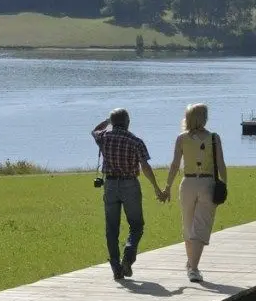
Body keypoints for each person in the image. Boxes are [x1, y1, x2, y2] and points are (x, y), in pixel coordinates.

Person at [92, 108, 166, 281]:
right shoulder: (135, 141)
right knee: (137, 225)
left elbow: (94, 130)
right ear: (128, 122)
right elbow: (145, 167)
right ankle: (129, 253)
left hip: (110, 184)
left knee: (111, 228)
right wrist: (156, 187)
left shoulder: (104, 138)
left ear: (113, 122)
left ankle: (116, 267)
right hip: (130, 184)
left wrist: (107, 121)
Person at [164, 103, 227, 283]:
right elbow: (221, 164)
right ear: (203, 118)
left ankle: (191, 263)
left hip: (187, 183)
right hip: (206, 183)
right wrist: (224, 183)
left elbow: (175, 165)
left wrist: (168, 186)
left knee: (188, 225)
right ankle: (193, 267)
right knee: (200, 226)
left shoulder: (181, 138)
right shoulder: (214, 138)